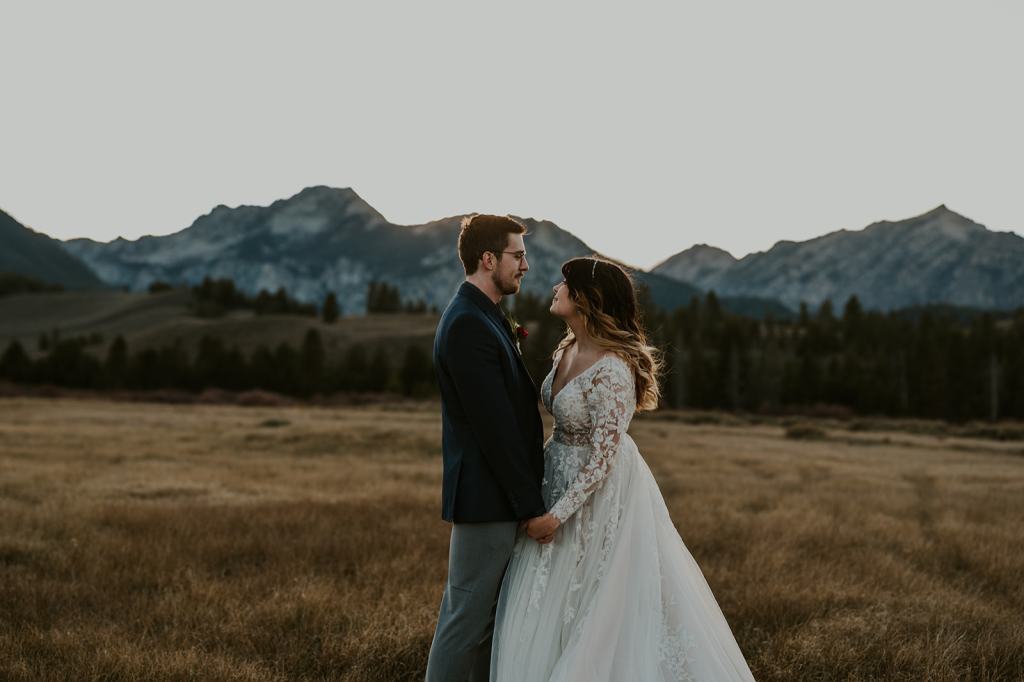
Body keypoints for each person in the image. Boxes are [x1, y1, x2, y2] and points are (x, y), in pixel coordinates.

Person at [490, 256, 757, 681]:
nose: (555, 288)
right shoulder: (567, 347)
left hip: (598, 496)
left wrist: (556, 516)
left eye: (565, 283)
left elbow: (603, 459)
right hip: (556, 472)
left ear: (586, 298)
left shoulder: (614, 367)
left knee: (599, 601)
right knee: (548, 595)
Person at [425, 214, 548, 681]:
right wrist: (530, 506)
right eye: (518, 256)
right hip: (485, 500)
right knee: (464, 622)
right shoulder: (467, 324)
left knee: (486, 625)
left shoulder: (485, 316)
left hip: (496, 498)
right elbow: (494, 431)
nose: (526, 266)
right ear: (488, 259)